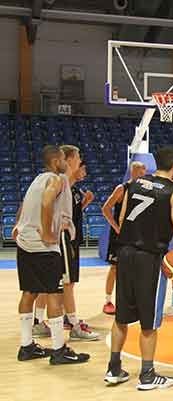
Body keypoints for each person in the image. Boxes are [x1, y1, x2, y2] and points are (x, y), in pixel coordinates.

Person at [104, 147, 173, 390]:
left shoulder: (134, 183)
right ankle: (147, 375)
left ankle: (114, 369)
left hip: (125, 253)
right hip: (150, 258)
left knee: (122, 316)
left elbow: (124, 217)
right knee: (149, 320)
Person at [14, 145, 89, 365]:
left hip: (25, 243)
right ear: (58, 161)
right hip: (43, 247)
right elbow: (47, 201)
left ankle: (26, 346)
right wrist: (47, 233)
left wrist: (19, 224)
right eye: (66, 160)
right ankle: (59, 350)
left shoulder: (37, 179)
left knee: (29, 293)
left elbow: (26, 206)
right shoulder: (56, 180)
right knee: (55, 295)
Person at [32, 145, 99, 340]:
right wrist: (48, 232)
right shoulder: (59, 181)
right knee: (64, 284)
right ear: (67, 160)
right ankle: (73, 324)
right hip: (60, 238)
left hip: (66, 238)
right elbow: (45, 205)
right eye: (77, 158)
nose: (80, 161)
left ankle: (43, 322)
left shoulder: (66, 184)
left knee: (56, 284)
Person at [101, 161, 147, 314]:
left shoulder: (144, 190)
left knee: (135, 268)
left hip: (136, 235)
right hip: (120, 237)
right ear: (132, 172)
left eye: (143, 172)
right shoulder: (122, 188)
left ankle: (132, 300)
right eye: (139, 171)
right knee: (115, 268)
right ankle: (108, 301)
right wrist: (116, 227)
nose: (141, 174)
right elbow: (106, 208)